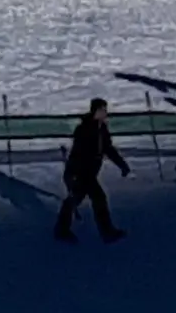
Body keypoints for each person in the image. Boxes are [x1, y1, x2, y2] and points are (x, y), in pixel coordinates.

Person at [54, 98, 130, 243]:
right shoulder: (84, 129)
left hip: (88, 172)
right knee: (96, 198)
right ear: (95, 111)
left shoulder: (102, 129)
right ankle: (106, 232)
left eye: (105, 110)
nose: (105, 113)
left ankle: (62, 230)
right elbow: (78, 153)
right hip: (80, 172)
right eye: (102, 110)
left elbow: (108, 148)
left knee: (76, 199)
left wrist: (122, 165)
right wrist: (74, 174)